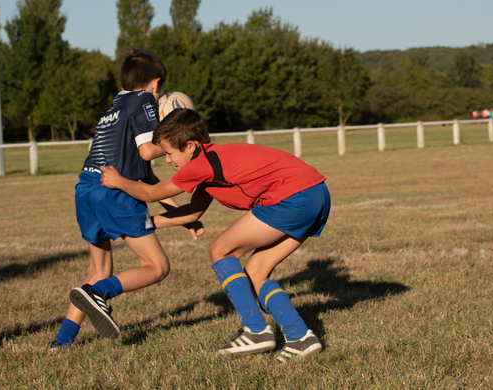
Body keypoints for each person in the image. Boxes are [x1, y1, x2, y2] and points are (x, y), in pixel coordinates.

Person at [100, 108, 331, 362]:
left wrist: (117, 181)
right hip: (315, 192)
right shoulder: (210, 163)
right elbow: (192, 213)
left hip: (293, 196)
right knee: (256, 271)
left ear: (190, 146)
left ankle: (255, 330)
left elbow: (151, 193)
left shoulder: (202, 164)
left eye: (169, 153)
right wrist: (146, 223)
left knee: (220, 250)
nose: (167, 160)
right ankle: (300, 337)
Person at [51, 49, 200, 350]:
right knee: (157, 266)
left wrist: (182, 216)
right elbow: (146, 151)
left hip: (87, 189)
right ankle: (99, 293)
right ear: (155, 84)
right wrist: (178, 139)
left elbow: (147, 178)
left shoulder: (114, 107)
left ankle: (62, 340)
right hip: (114, 191)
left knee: (98, 270)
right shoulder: (144, 99)